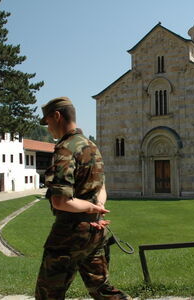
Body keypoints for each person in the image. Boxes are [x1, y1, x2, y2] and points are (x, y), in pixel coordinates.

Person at [35, 97, 131, 300]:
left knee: (47, 294)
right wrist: (98, 206)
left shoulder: (66, 148)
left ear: (57, 116)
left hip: (69, 234)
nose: (48, 127)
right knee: (102, 289)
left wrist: (90, 208)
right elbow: (102, 188)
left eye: (48, 122)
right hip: (95, 232)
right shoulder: (91, 146)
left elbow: (60, 201)